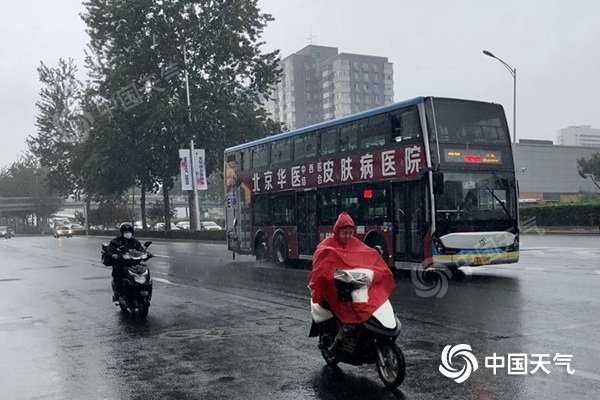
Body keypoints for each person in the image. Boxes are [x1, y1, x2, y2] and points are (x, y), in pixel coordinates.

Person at [308, 212, 395, 336]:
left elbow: (366, 255)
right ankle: (339, 331)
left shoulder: (355, 243)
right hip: (336, 283)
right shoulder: (327, 246)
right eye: (344, 233)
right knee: (338, 301)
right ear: (337, 231)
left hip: (352, 281)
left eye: (350, 233)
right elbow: (321, 263)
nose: (348, 236)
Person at [107, 222, 151, 298]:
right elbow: (109, 251)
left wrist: (147, 254)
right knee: (118, 273)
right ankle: (119, 293)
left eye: (129, 231)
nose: (127, 233)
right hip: (121, 264)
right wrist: (113, 255)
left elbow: (141, 250)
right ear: (122, 232)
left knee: (145, 270)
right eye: (125, 232)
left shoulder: (135, 242)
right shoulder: (116, 241)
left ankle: (145, 288)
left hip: (134, 264)